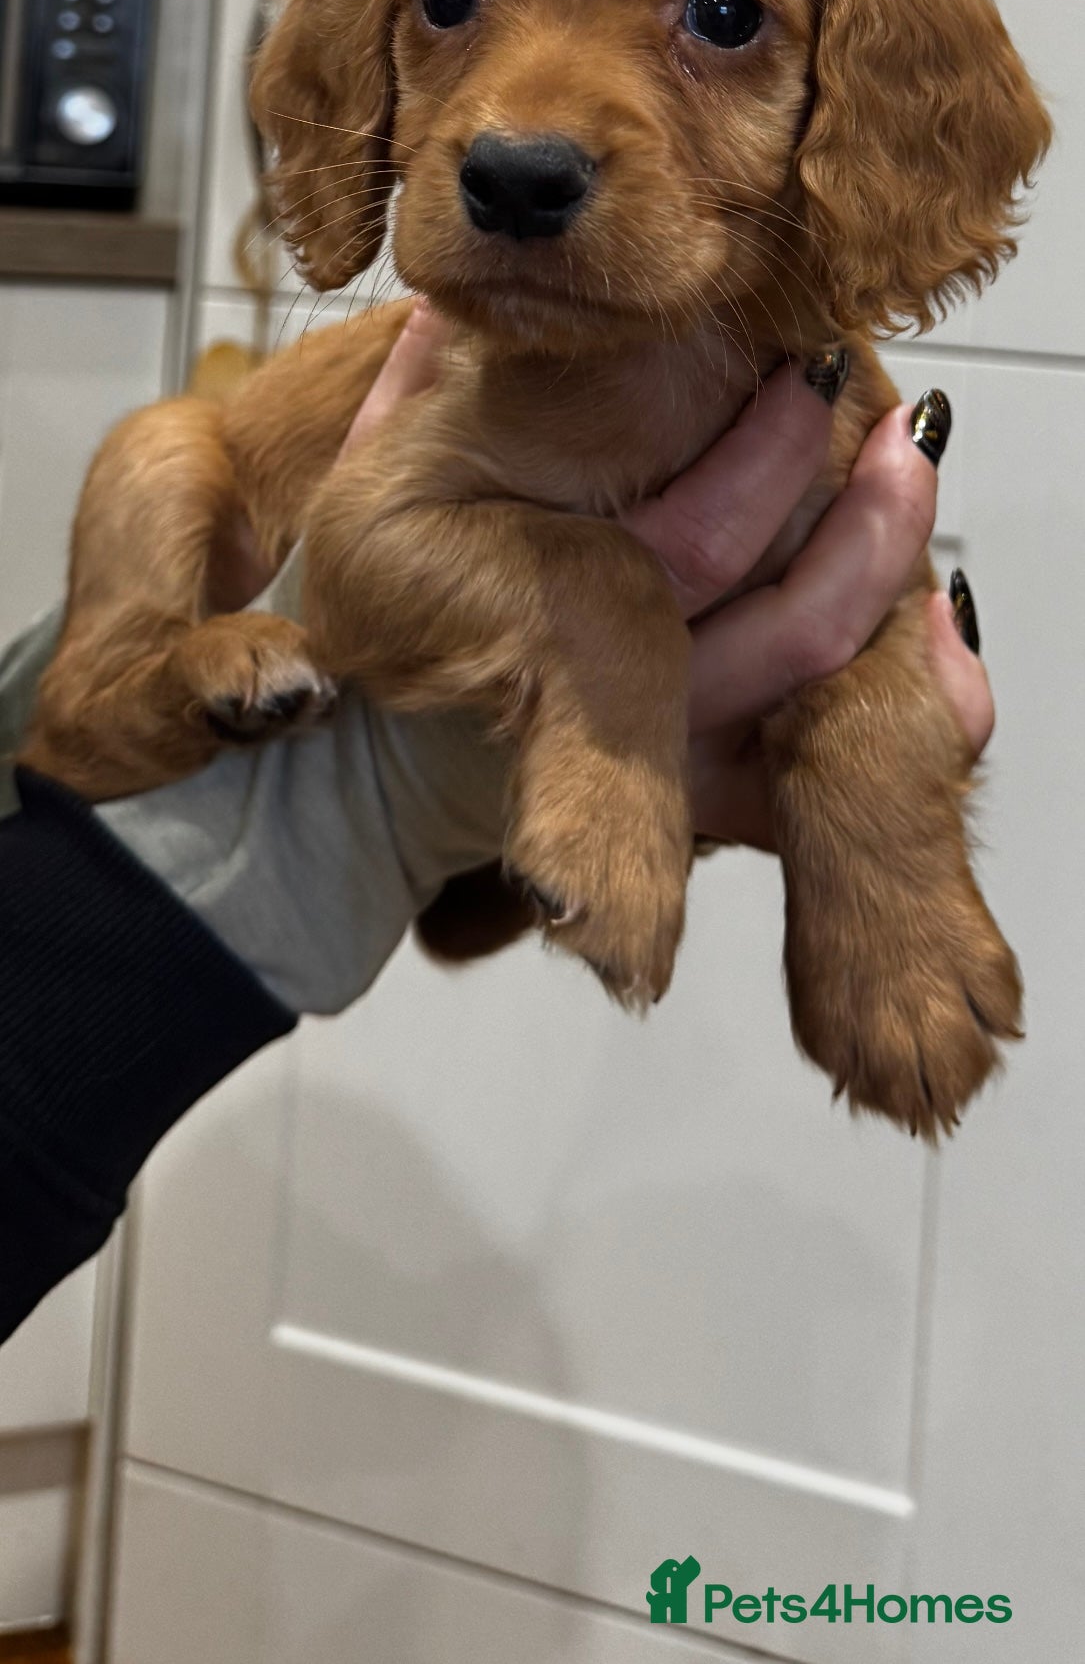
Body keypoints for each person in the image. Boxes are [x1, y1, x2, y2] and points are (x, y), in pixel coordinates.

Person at [0, 309, 989, 1342]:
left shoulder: (834, 406)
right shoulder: (501, 335)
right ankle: (125, 690)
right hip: (236, 576)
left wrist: (872, 830)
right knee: (162, 450)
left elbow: (882, 630)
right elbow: (396, 535)